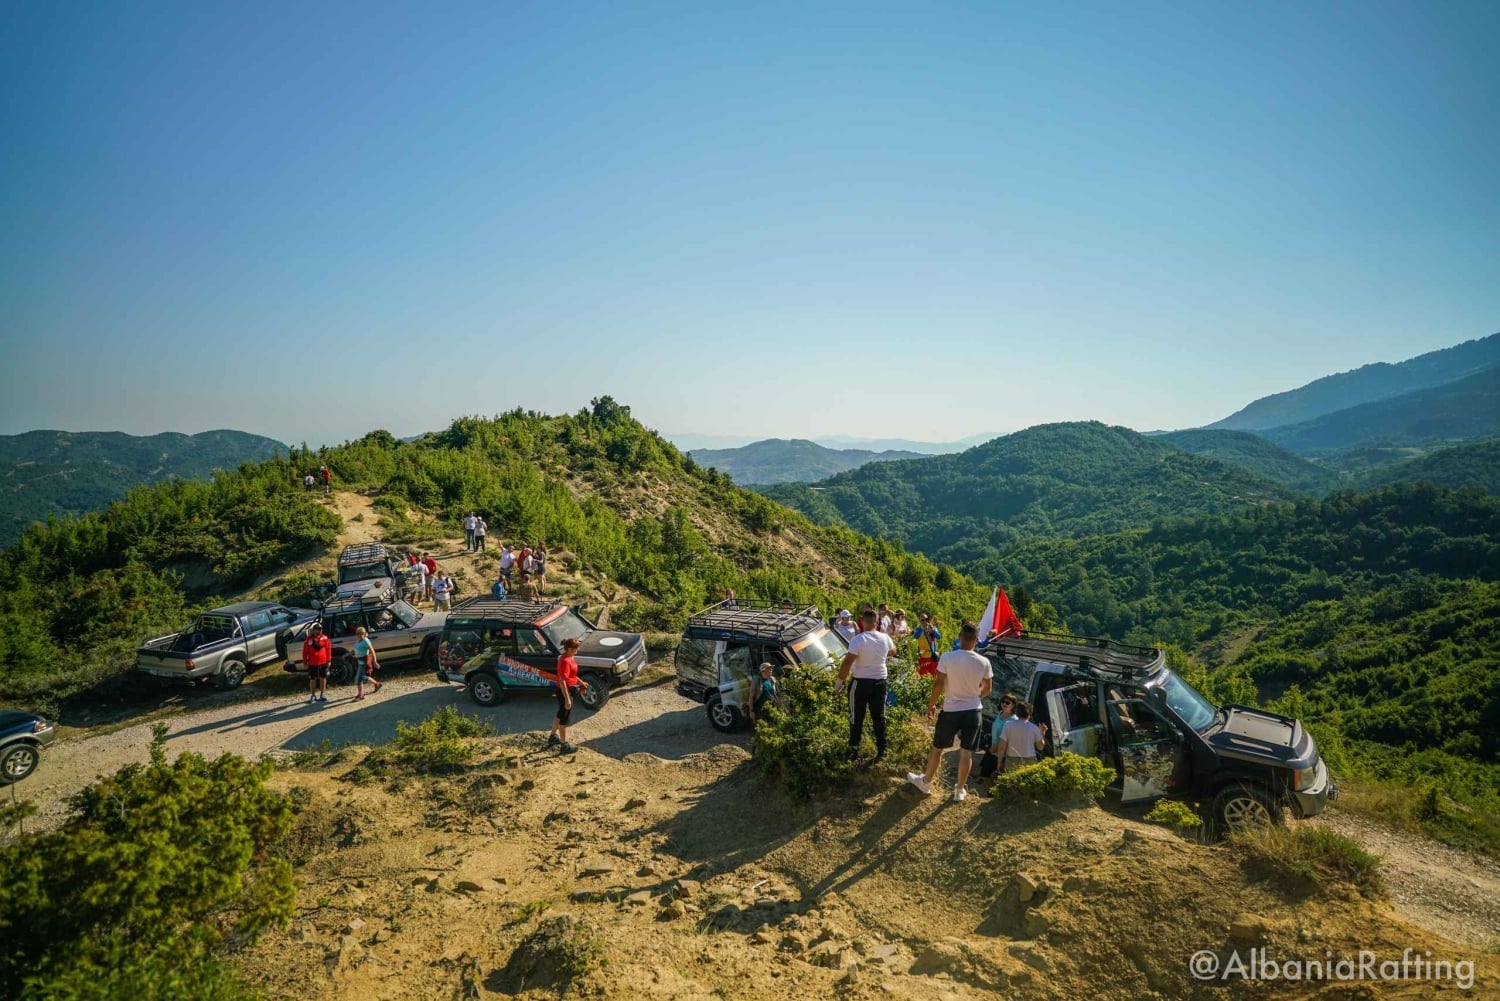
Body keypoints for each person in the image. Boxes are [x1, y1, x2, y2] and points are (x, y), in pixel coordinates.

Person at [907, 622, 993, 801]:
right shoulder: (984, 661)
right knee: (966, 752)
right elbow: (988, 688)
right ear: (977, 640)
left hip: (951, 709)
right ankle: (959, 790)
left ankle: (926, 782)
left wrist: (931, 704)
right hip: (973, 710)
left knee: (938, 748)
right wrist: (977, 697)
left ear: (960, 637)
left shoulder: (947, 657)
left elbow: (938, 683)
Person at [836, 609, 896, 763]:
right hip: (880, 681)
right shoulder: (884, 638)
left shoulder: (858, 640)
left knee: (857, 717)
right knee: (879, 716)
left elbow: (847, 663)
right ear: (877, 623)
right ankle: (882, 749)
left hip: (860, 682)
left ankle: (854, 750)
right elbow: (893, 651)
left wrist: (839, 683)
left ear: (862, 622)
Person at [547, 637, 582, 753]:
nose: (577, 649)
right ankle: (564, 745)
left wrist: (581, 682)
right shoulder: (565, 661)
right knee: (564, 718)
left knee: (560, 712)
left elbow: (571, 675)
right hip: (565, 691)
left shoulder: (568, 657)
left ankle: (553, 736)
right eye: (575, 648)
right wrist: (567, 699)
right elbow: (562, 680)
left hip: (566, 689)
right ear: (569, 648)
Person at [996, 701, 1049, 771]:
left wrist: (999, 762)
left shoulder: (1008, 725)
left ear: (1017, 713)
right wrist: (1042, 733)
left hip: (1012, 760)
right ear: (1029, 714)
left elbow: (1002, 746)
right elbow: (1040, 747)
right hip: (1029, 761)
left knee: (1011, 781)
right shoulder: (1034, 728)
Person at [979, 693, 1019, 779]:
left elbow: (1008, 739)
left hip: (1001, 754)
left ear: (1013, 705)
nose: (1004, 704)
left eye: (1007, 703)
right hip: (992, 750)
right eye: (1003, 702)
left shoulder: (1014, 720)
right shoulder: (1000, 714)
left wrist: (995, 748)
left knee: (992, 778)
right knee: (983, 775)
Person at [302, 622, 332, 704]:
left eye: (320, 629)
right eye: (317, 629)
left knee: (323, 677)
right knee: (312, 679)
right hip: (312, 663)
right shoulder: (308, 640)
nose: (319, 631)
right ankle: (313, 695)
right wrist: (305, 662)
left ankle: (323, 694)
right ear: (313, 630)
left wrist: (329, 660)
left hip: (323, 662)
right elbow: (305, 652)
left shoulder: (325, 638)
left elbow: (328, 649)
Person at [353, 626, 383, 700]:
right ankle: (377, 684)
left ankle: (360, 694)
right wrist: (347, 654)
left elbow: (372, 651)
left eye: (361, 633)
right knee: (362, 677)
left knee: (358, 679)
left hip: (363, 662)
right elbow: (356, 649)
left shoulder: (366, 641)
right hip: (359, 662)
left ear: (364, 633)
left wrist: (375, 661)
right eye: (358, 633)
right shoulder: (358, 641)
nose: (359, 635)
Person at [747, 662, 778, 727]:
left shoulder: (772, 679)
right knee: (762, 728)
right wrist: (751, 711)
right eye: (769, 669)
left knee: (773, 726)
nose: (771, 670)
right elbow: (751, 697)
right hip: (760, 710)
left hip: (771, 707)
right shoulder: (756, 681)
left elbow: (775, 693)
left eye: (771, 669)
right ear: (763, 671)